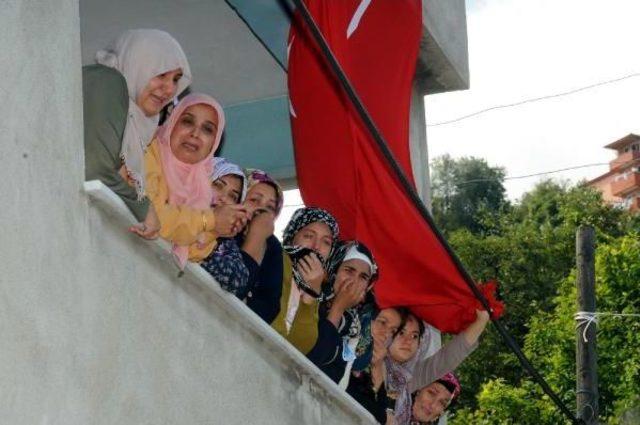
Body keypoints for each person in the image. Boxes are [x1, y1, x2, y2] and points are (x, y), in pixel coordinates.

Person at [83, 29, 191, 234]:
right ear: (137, 64)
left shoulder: (136, 122)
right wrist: (143, 206)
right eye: (161, 75)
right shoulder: (107, 81)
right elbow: (93, 168)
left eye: (176, 79)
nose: (170, 90)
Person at [135, 93, 246, 269]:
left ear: (213, 144)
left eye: (207, 130)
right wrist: (210, 220)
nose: (195, 134)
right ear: (173, 123)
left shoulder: (200, 183)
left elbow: (191, 252)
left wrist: (216, 230)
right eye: (187, 121)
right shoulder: (148, 150)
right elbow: (151, 218)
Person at [385, 310, 490, 425]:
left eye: (442, 403)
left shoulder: (402, 381)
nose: (432, 405)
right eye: (431, 393)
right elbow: (447, 359)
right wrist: (481, 321)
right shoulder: (401, 380)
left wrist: (481, 321)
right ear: (419, 389)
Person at [307, 240, 378, 384]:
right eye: (348, 270)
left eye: (363, 277)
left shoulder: (354, 326)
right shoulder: (310, 296)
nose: (354, 281)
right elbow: (312, 359)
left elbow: (338, 378)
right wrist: (337, 308)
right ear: (334, 269)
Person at [270, 207, 339, 354]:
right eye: (308, 236)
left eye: (326, 242)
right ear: (292, 236)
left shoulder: (318, 289)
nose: (316, 247)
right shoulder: (274, 258)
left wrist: (311, 293)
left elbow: (300, 346)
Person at [200, 158, 252, 297]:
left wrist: (211, 231)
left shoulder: (224, 240)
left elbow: (238, 279)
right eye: (217, 185)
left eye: (232, 196)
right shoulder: (176, 209)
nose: (223, 198)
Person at [346, 306, 407, 424]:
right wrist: (384, 416)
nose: (386, 334)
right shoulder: (343, 341)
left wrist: (377, 368)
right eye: (382, 322)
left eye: (392, 331)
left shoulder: (377, 365)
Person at [241, 169, 285, 321]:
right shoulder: (225, 229)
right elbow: (234, 287)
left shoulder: (272, 246)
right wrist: (255, 238)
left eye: (270, 207)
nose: (261, 210)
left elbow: (270, 308)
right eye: (254, 200)